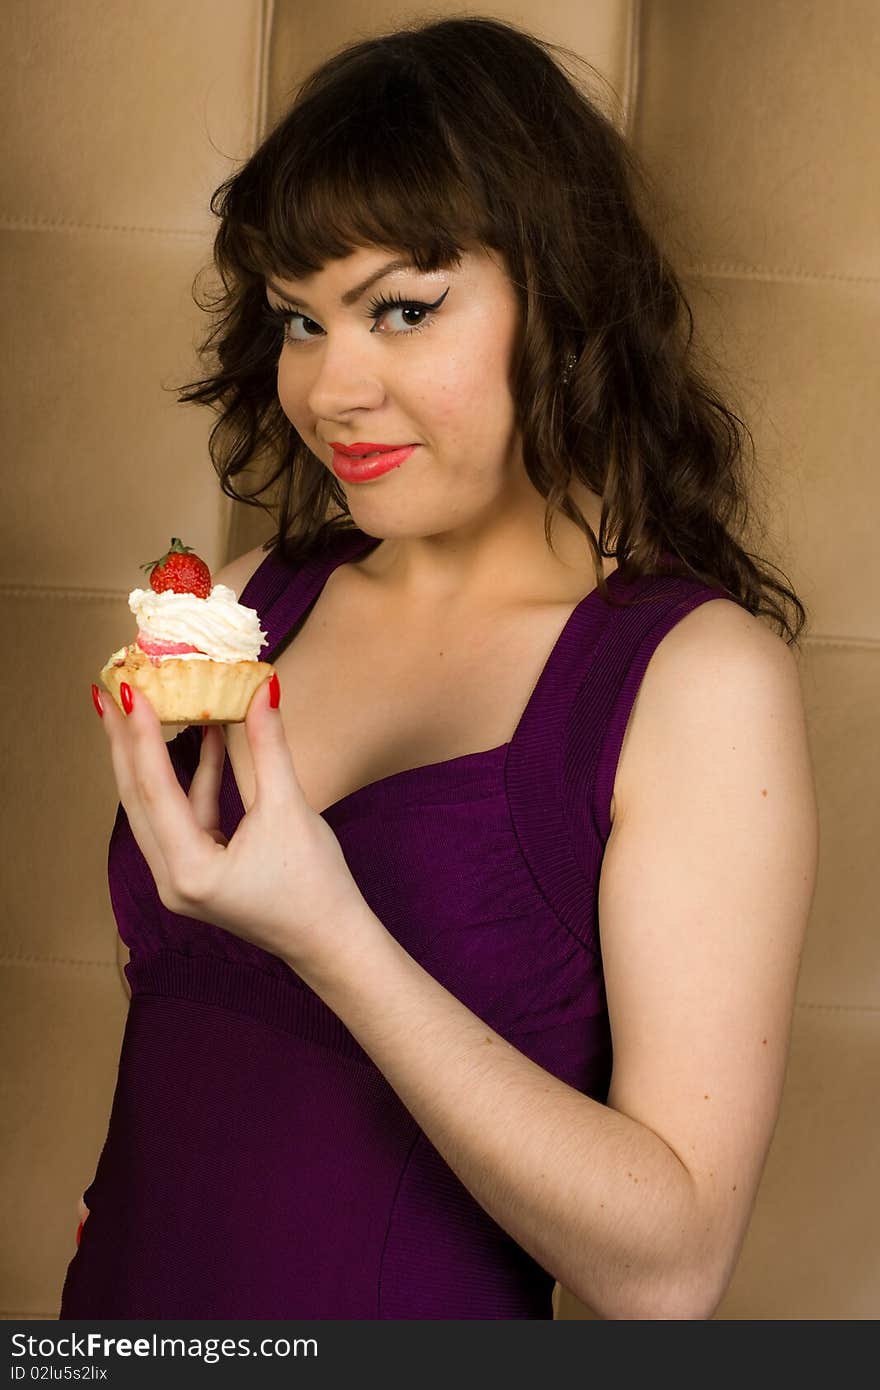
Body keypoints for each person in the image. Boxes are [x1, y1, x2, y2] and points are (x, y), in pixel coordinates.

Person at [61, 14, 819, 1320]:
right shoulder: (248, 608)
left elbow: (673, 1268)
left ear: (565, 291)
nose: (330, 387)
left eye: (401, 310)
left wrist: (331, 932)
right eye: (299, 321)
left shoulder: (693, 682)